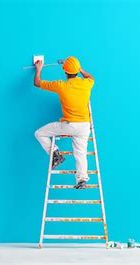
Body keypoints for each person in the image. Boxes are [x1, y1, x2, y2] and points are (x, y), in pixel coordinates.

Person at [33, 56, 94, 189]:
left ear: (65, 72)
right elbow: (90, 77)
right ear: (77, 71)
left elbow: (37, 83)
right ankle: (82, 179)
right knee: (80, 153)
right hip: (84, 126)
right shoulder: (87, 83)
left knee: (39, 133)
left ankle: (55, 154)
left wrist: (39, 69)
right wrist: (79, 68)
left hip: (70, 125)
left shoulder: (61, 85)